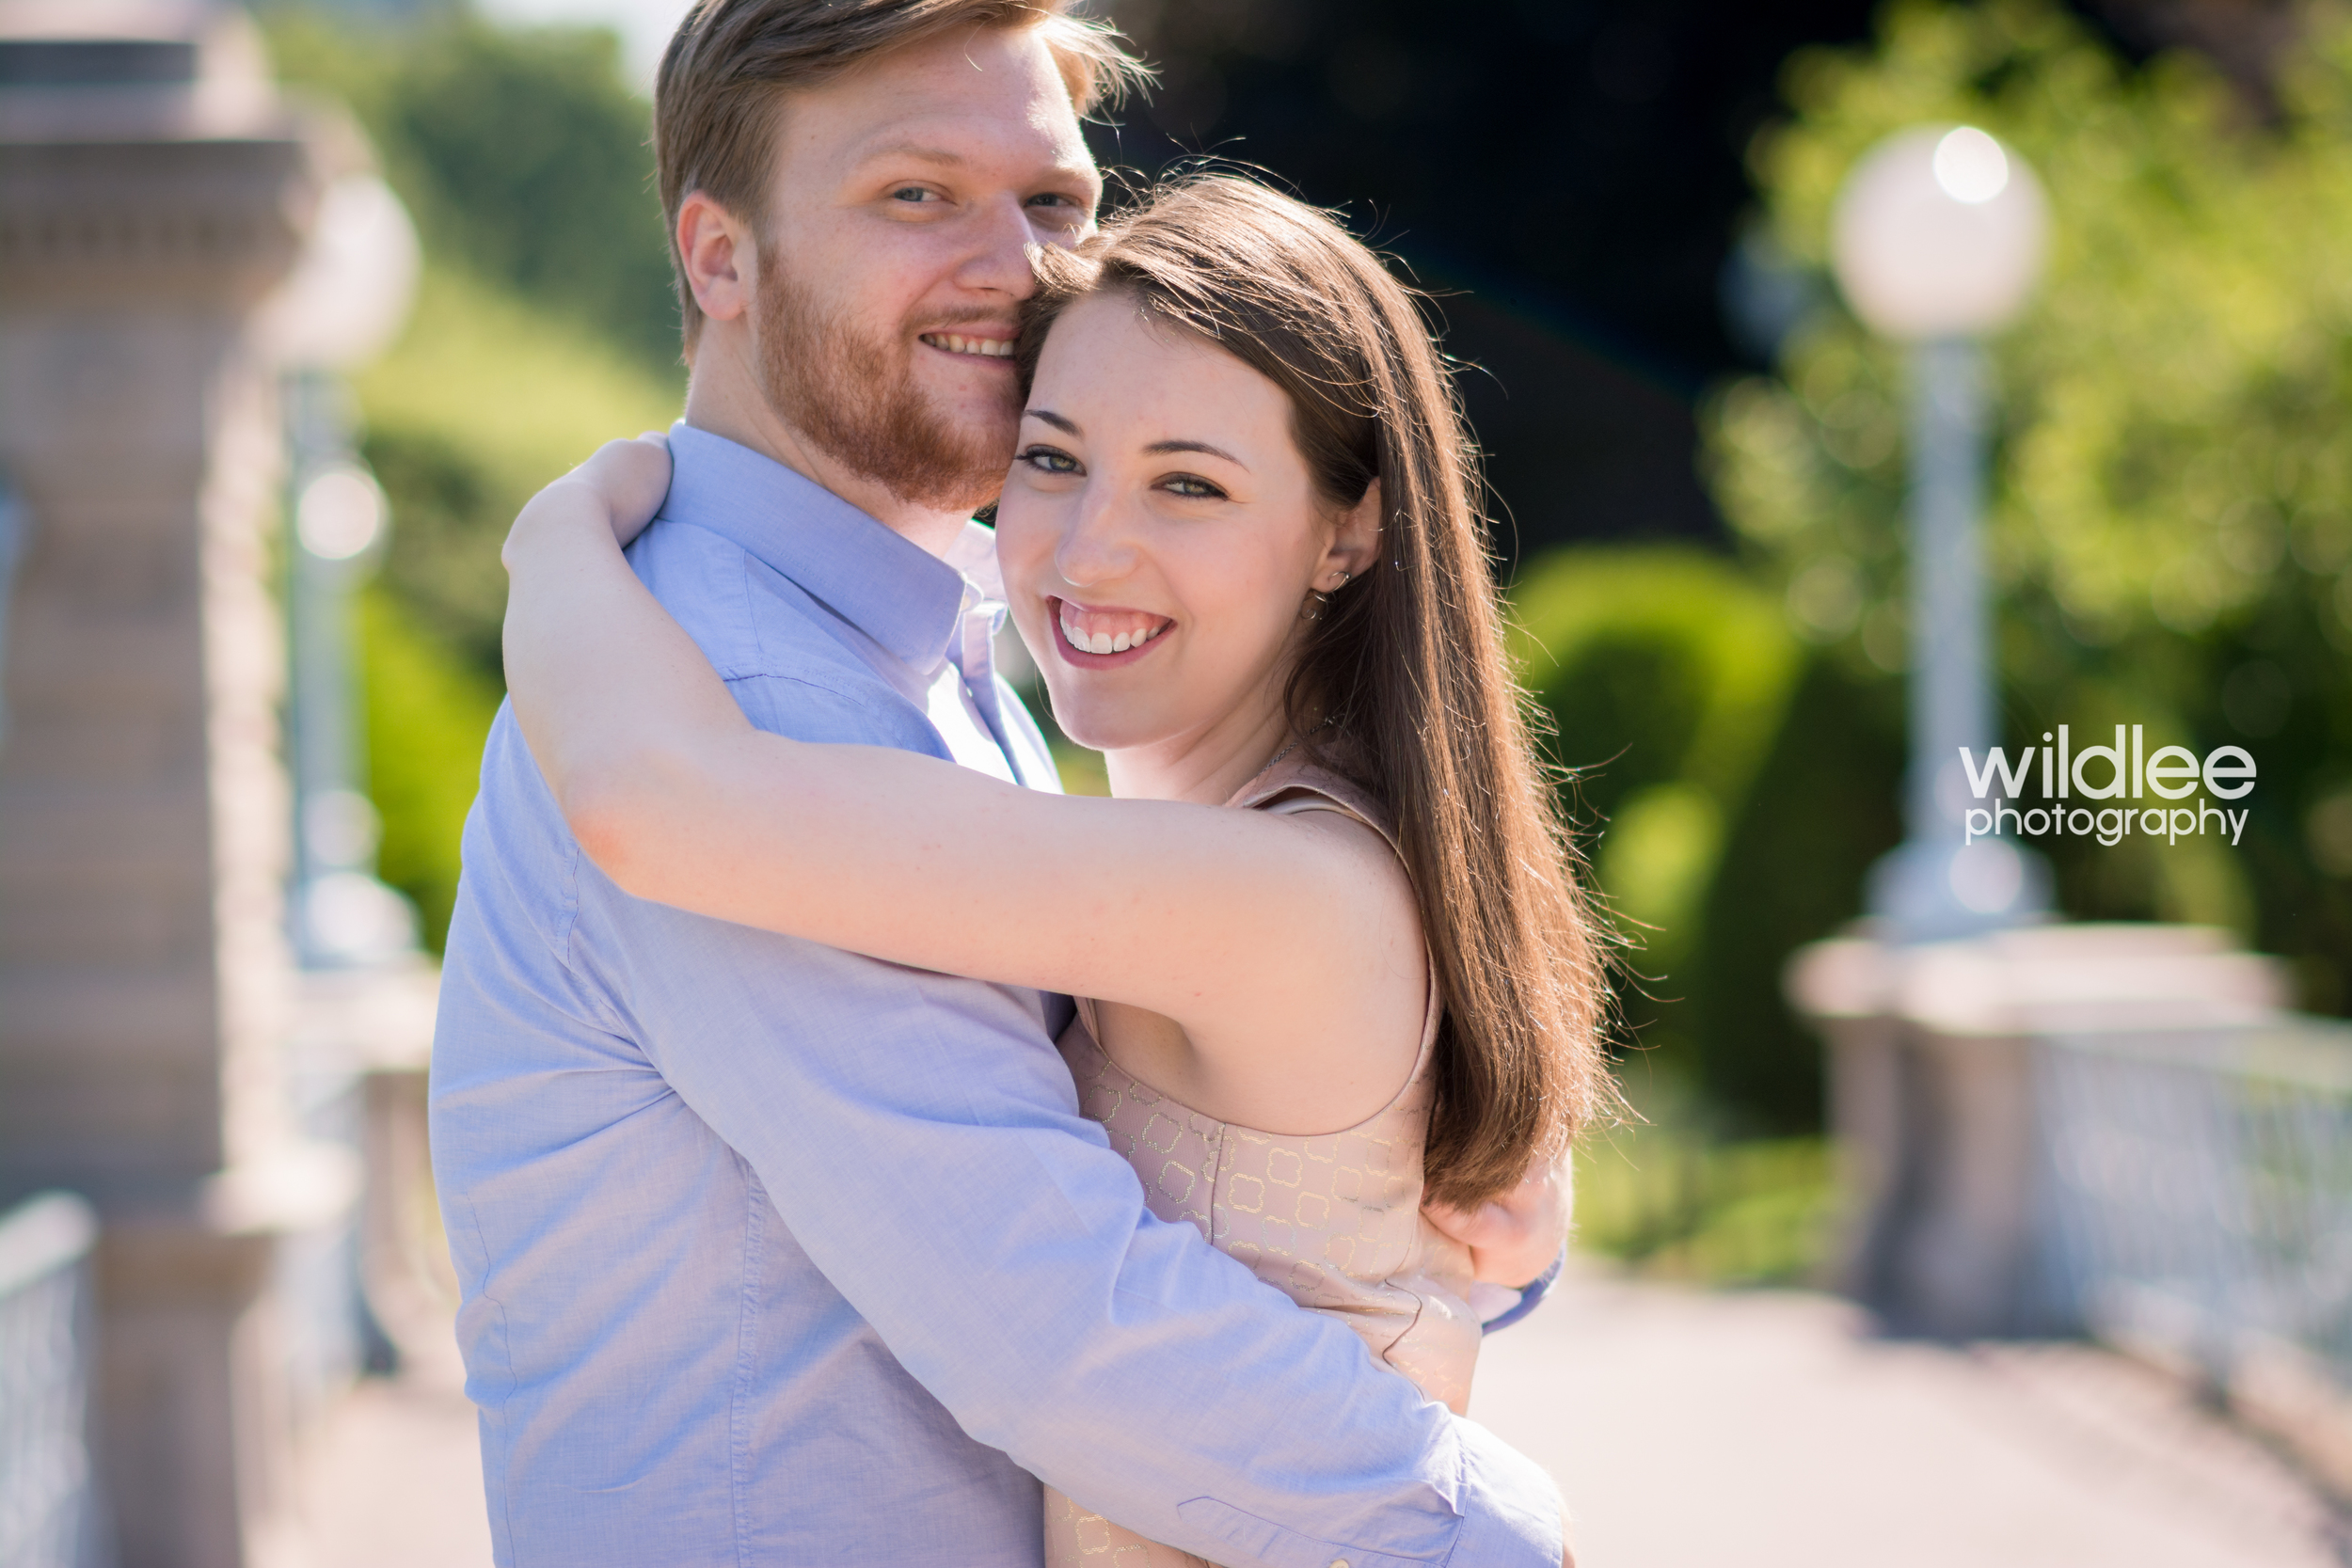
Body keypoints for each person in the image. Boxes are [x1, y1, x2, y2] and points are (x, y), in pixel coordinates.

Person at [431, 4, 1584, 1565]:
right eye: (918, 195)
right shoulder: (758, 689)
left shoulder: (954, 648)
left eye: (1051, 200)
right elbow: (1055, 1314)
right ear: (718, 259)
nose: (1021, 266)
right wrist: (1493, 1525)